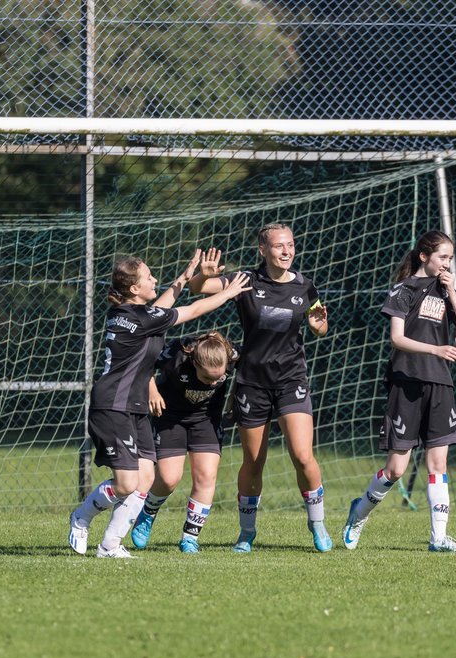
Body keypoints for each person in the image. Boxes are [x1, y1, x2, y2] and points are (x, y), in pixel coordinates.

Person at [69, 252, 249, 558]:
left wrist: (182, 278)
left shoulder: (128, 313)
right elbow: (192, 310)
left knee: (147, 479)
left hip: (135, 406)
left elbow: (158, 308)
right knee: (127, 483)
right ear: (135, 289)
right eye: (149, 277)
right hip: (114, 406)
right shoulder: (140, 319)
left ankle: (110, 545)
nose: (155, 279)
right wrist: (228, 292)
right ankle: (81, 517)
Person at [191, 225, 332, 553]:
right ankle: (247, 532)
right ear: (263, 250)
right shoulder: (245, 280)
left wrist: (317, 325)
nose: (287, 251)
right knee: (254, 461)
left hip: (291, 381)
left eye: (291, 245)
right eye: (279, 246)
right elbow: (200, 288)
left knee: (302, 455)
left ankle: (318, 524)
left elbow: (320, 324)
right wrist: (203, 275)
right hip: (252, 383)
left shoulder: (305, 286)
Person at [341, 230, 456, 552]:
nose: (448, 263)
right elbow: (397, 339)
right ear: (424, 256)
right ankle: (358, 514)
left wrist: (454, 293)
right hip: (407, 383)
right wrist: (436, 350)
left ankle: (439, 538)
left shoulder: (445, 292)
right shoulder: (403, 290)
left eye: (451, 259)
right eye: (443, 257)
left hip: (440, 384)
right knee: (396, 470)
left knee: (437, 465)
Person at [128, 331, 238, 554]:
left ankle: (190, 537)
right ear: (195, 363)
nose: (215, 382)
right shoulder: (176, 354)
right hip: (170, 416)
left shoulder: (231, 353)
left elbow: (249, 371)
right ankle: (148, 512)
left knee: (206, 475)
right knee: (169, 479)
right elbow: (144, 362)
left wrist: (236, 396)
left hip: (207, 419)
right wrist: (151, 392)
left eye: (220, 377)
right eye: (208, 378)